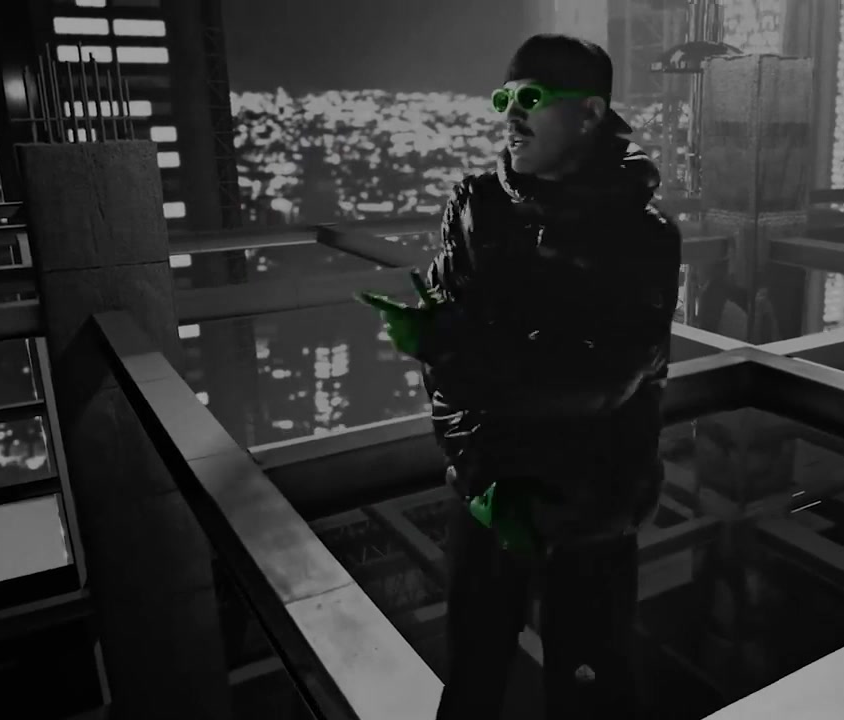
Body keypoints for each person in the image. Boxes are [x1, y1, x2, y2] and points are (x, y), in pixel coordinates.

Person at [362, 34, 681, 720]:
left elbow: (603, 378)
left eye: (530, 97)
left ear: (589, 113)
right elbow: (449, 373)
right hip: (487, 497)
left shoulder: (644, 235)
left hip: (591, 507)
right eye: (504, 96)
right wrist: (482, 482)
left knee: (592, 690)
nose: (510, 112)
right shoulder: (474, 205)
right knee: (472, 677)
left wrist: (455, 350)